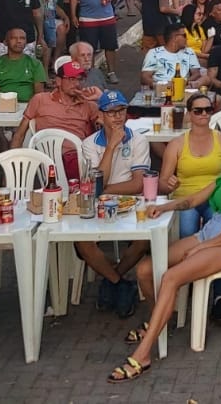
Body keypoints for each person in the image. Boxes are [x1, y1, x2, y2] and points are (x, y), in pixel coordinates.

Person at [114, 132, 221, 383]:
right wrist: (163, 206)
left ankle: (143, 353)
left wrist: (204, 247)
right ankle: (160, 319)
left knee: (171, 277)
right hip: (209, 233)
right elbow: (192, 200)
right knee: (145, 269)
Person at [73, 91, 152, 314]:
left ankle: (111, 279)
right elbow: (96, 182)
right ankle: (119, 282)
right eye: (111, 112)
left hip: (130, 202)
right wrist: (111, 147)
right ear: (100, 116)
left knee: (143, 241)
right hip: (98, 206)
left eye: (121, 111)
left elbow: (137, 184)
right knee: (82, 243)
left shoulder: (138, 139)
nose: (117, 117)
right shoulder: (89, 144)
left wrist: (103, 189)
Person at [157, 93, 221, 236]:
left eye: (208, 110)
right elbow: (162, 184)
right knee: (186, 231)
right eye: (198, 111)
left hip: (214, 197)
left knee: (216, 231)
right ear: (189, 114)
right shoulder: (176, 144)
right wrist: (170, 184)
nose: (204, 114)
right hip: (185, 197)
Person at [11, 60, 99, 176]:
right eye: (72, 79)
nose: (77, 84)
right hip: (49, 158)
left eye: (80, 79)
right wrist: (12, 169)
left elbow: (109, 129)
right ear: (58, 81)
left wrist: (99, 98)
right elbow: (19, 134)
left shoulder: (89, 105)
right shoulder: (40, 100)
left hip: (80, 157)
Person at [67, 0, 122, 84]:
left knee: (110, 46)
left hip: (107, 16)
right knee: (87, 48)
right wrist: (73, 15)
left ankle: (111, 72)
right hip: (87, 17)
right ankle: (89, 75)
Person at [140, 24, 204, 93]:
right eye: (184, 35)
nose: (187, 38)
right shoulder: (154, 53)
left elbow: (196, 74)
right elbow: (145, 77)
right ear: (175, 38)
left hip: (182, 89)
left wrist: (182, 84)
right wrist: (160, 86)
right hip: (161, 91)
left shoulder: (189, 52)